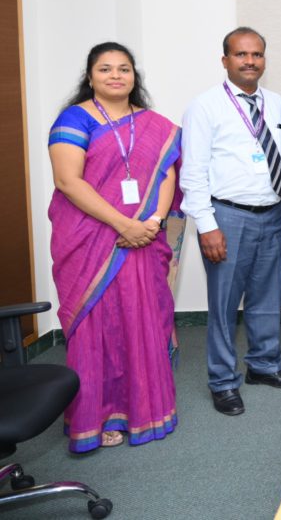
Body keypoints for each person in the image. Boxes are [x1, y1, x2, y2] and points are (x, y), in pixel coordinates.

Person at [48, 42, 181, 452]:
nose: (116, 75)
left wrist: (152, 223)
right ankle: (98, 416)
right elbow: (68, 181)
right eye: (105, 69)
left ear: (134, 76)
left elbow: (167, 174)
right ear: (90, 77)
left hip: (144, 238)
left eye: (124, 68)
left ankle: (144, 409)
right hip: (92, 237)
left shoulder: (154, 124)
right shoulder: (75, 119)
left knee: (142, 319)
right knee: (98, 327)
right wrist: (124, 224)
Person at [180, 27, 281, 417]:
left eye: (257, 55)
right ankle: (223, 382)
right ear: (225, 60)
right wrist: (206, 225)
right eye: (241, 54)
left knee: (268, 297)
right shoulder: (205, 106)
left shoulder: (279, 104)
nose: (250, 61)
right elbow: (193, 172)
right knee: (224, 304)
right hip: (227, 216)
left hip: (273, 213)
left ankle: (264, 365)